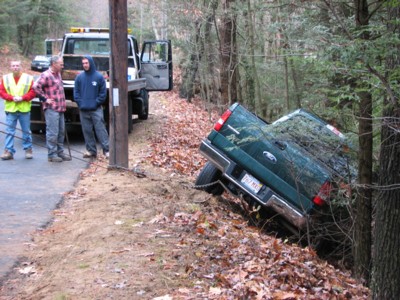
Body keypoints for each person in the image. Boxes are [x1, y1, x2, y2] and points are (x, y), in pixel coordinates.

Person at [33, 55, 71, 162]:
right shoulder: (46, 75)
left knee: (61, 131)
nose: (62, 66)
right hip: (51, 108)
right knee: (52, 132)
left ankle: (60, 152)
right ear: (54, 64)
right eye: (60, 64)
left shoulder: (58, 74)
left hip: (60, 108)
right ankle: (52, 154)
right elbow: (36, 86)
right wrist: (45, 99)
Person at [74, 55, 109, 159]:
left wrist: (96, 103)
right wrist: (81, 103)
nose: (85, 65)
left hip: (96, 109)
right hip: (84, 109)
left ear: (91, 63)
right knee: (87, 130)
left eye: (87, 63)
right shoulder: (79, 77)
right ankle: (91, 150)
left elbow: (103, 93)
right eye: (83, 63)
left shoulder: (99, 77)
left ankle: (107, 150)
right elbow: (76, 93)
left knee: (100, 129)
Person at [0, 60, 36, 160]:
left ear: (21, 67)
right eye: (13, 66)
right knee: (9, 131)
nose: (15, 67)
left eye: (17, 65)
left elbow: (33, 92)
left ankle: (28, 149)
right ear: (10, 67)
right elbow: (1, 91)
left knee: (26, 131)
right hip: (11, 109)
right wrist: (11, 98)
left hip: (24, 109)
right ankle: (8, 151)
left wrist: (22, 98)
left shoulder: (28, 78)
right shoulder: (5, 78)